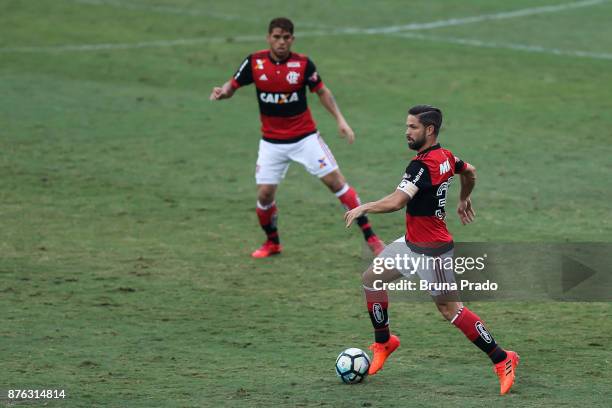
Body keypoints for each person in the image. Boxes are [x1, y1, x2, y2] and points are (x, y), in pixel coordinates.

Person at [344, 105, 519, 395]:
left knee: (450, 310)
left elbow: (398, 201)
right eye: (407, 126)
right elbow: (470, 171)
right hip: (411, 243)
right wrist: (464, 199)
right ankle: (384, 341)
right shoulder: (447, 157)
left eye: (412, 127)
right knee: (371, 280)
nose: (407, 132)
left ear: (429, 130)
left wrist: (364, 206)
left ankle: (502, 359)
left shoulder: (420, 166)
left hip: (432, 253)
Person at [210, 17, 384, 258]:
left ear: (292, 39)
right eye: (276, 37)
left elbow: (322, 91)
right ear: (268, 38)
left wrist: (340, 120)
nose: (281, 42)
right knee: (264, 195)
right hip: (271, 143)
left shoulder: (303, 65)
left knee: (337, 183)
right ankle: (273, 243)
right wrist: (223, 92)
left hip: (305, 139)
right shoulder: (255, 62)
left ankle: (372, 238)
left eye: (286, 38)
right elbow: (233, 85)